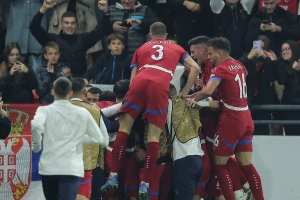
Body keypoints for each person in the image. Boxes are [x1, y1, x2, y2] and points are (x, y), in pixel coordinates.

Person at [101, 22, 200, 200]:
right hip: (159, 85)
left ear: (150, 35)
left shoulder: (141, 48)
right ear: (166, 35)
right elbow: (195, 68)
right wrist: (185, 93)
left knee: (124, 128)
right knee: (153, 137)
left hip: (140, 81)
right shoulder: (176, 47)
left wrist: (136, 102)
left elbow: (132, 80)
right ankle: (145, 183)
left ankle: (113, 175)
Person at [186, 37, 264, 200]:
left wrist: (193, 99)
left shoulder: (219, 69)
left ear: (219, 54)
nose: (210, 57)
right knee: (247, 165)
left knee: (220, 164)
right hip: (247, 118)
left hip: (232, 119)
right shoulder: (240, 65)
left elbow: (208, 91)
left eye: (212, 54)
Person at [31, 77, 108, 200]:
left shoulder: (45, 111)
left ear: (52, 91)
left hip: (50, 166)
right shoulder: (89, 111)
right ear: (81, 92)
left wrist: (36, 146)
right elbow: (102, 140)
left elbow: (35, 126)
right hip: (77, 166)